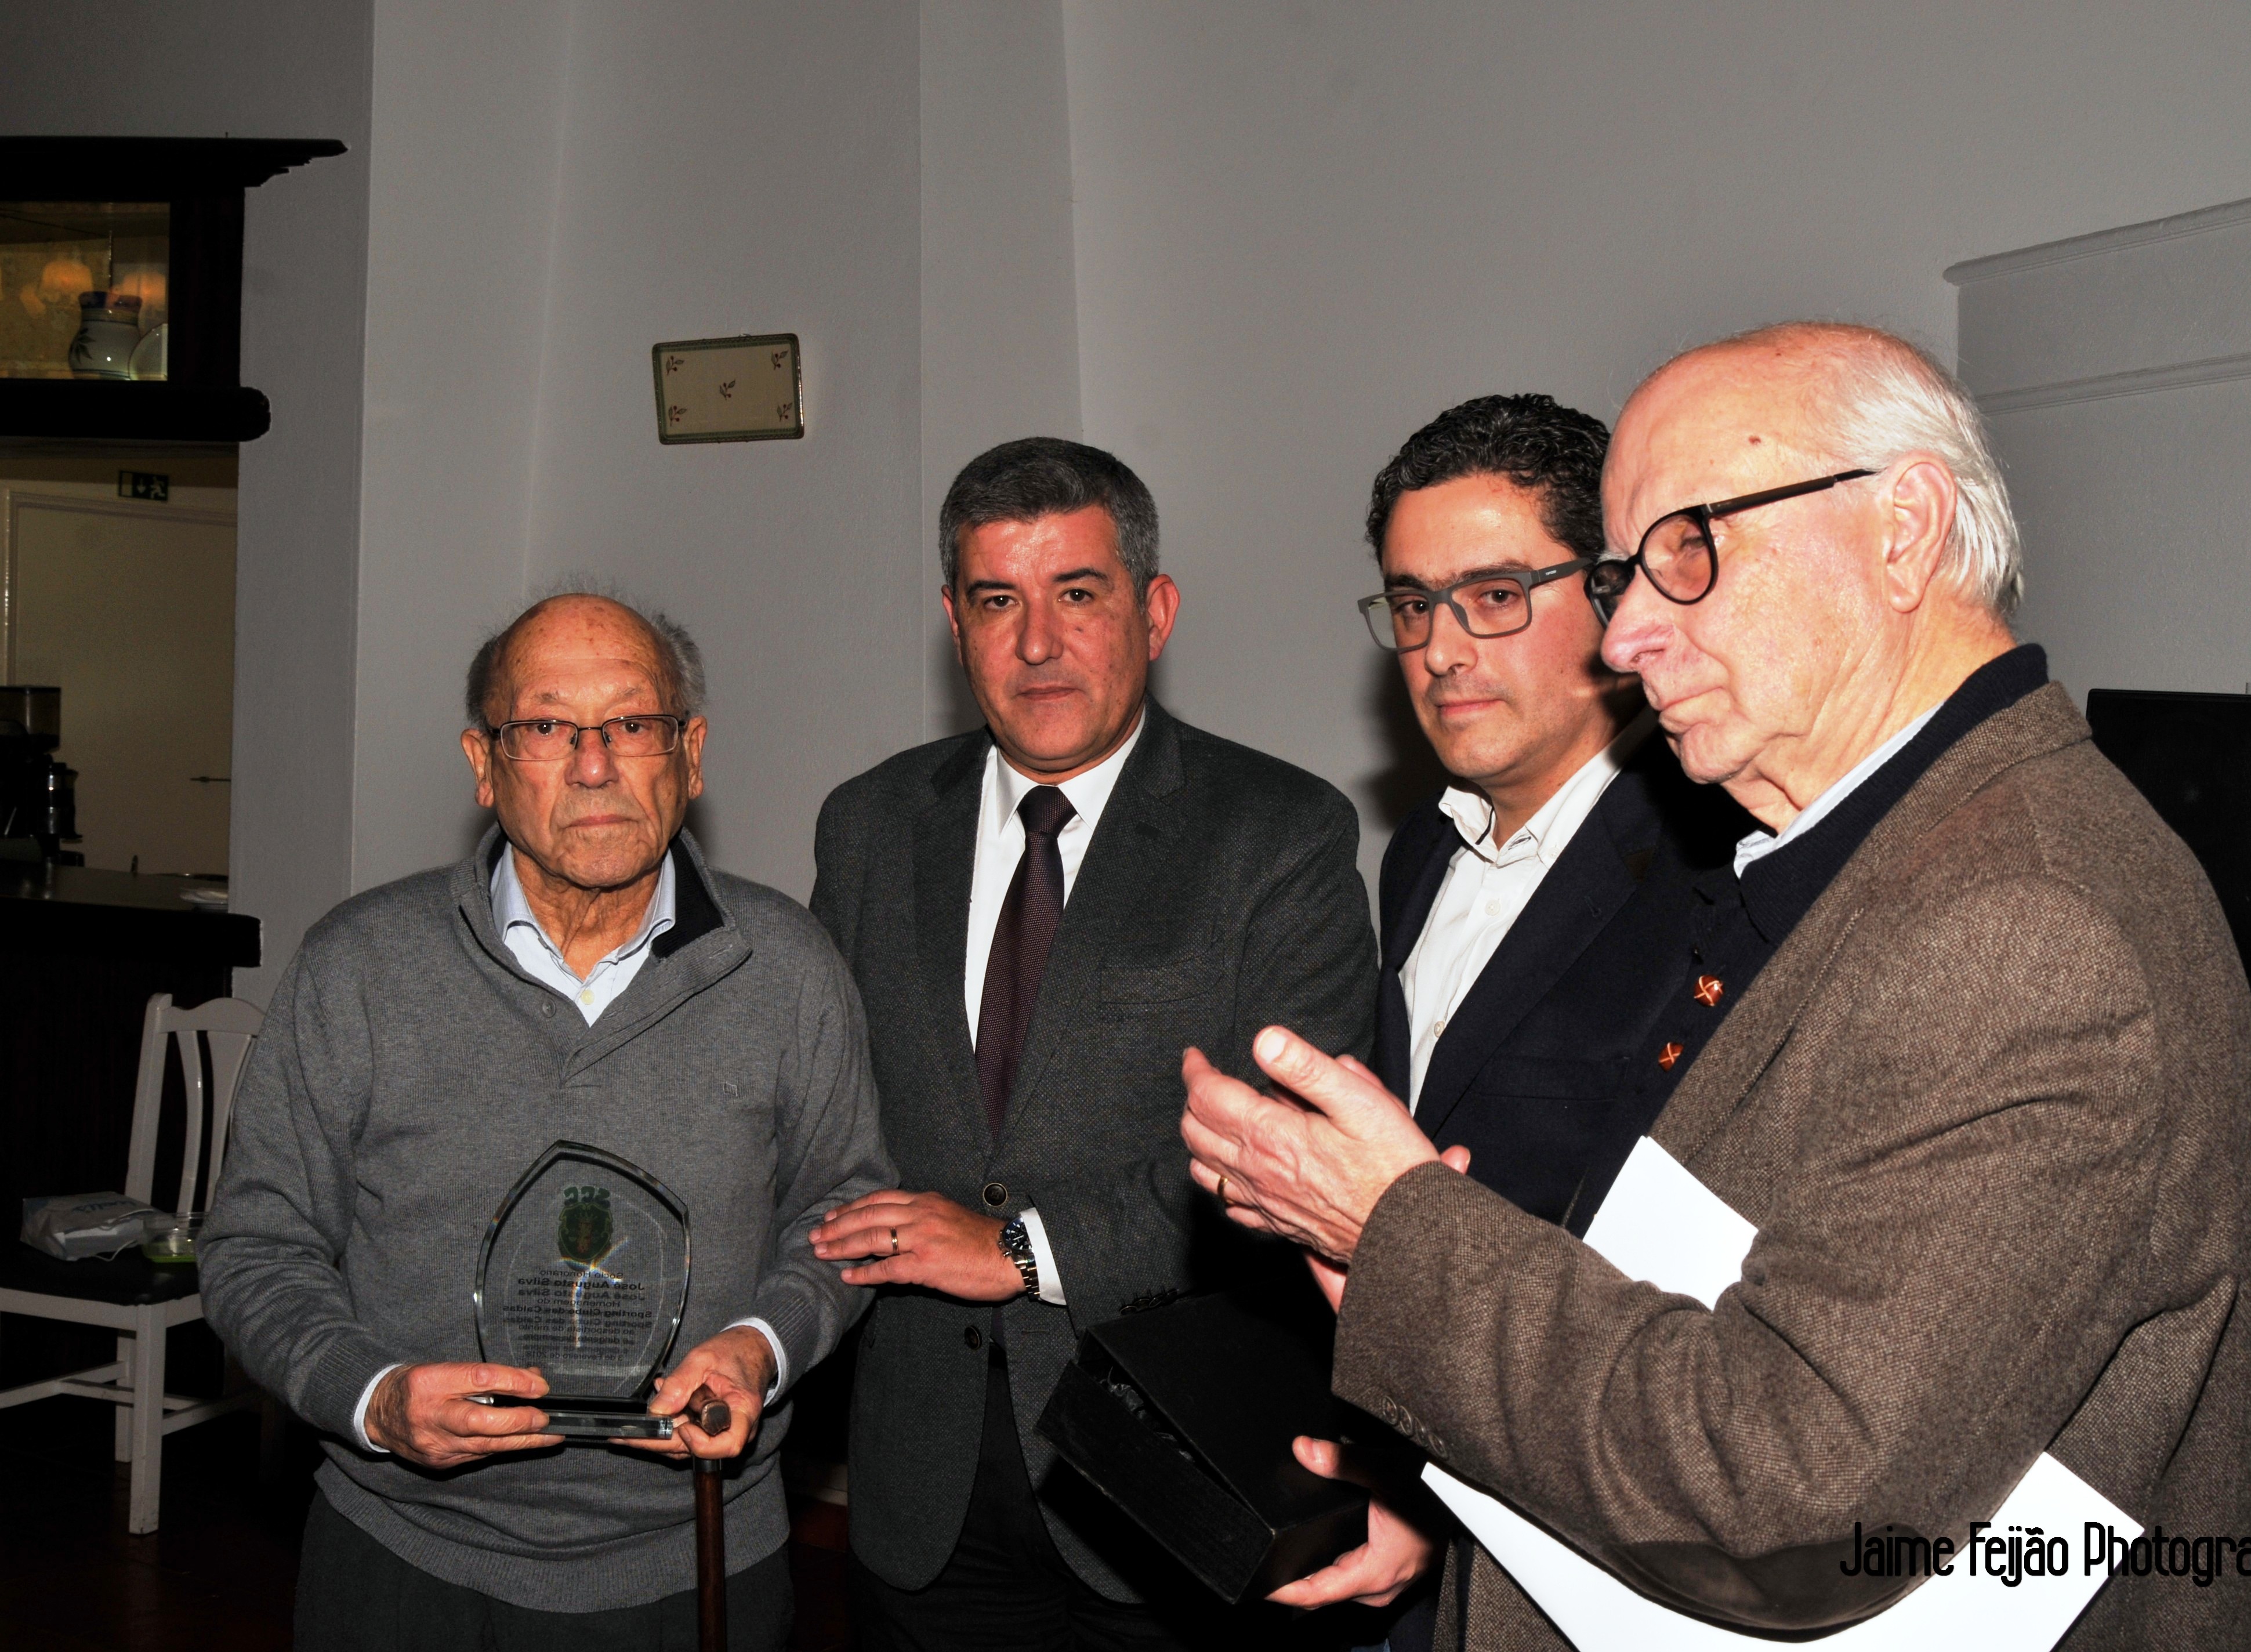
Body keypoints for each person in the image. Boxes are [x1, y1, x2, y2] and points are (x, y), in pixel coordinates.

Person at [1181, 324, 2251, 1650]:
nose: (1626, 634)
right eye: (1622, 575)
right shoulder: (1864, 853)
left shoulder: (2024, 923)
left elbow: (1792, 1491)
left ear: (1903, 530)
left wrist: (1397, 1225)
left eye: (1686, 550)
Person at [201, 592, 893, 1651]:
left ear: (691, 754)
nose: (595, 764)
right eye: (547, 727)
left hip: (699, 1557)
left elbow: (844, 1215)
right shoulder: (358, 968)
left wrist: (763, 1346)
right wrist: (374, 1398)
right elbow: (255, 1246)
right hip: (403, 1559)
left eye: (633, 723)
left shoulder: (787, 970)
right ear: (483, 764)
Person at [805, 437, 1377, 1649]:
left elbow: (1290, 1158)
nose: (1036, 643)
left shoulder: (1279, 832)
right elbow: (817, 1116)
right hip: (919, 1477)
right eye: (996, 601)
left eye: (1077, 594)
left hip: (1172, 1469)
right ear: (953, 622)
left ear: (1154, 612)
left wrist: (1023, 1247)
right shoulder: (867, 825)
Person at [1285, 394, 1749, 1641]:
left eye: (1493, 596)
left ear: (1611, 597)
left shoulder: (1716, 875)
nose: (1440, 648)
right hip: (1410, 1496)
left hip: (1605, 1544)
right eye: (1412, 604)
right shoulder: (1418, 853)